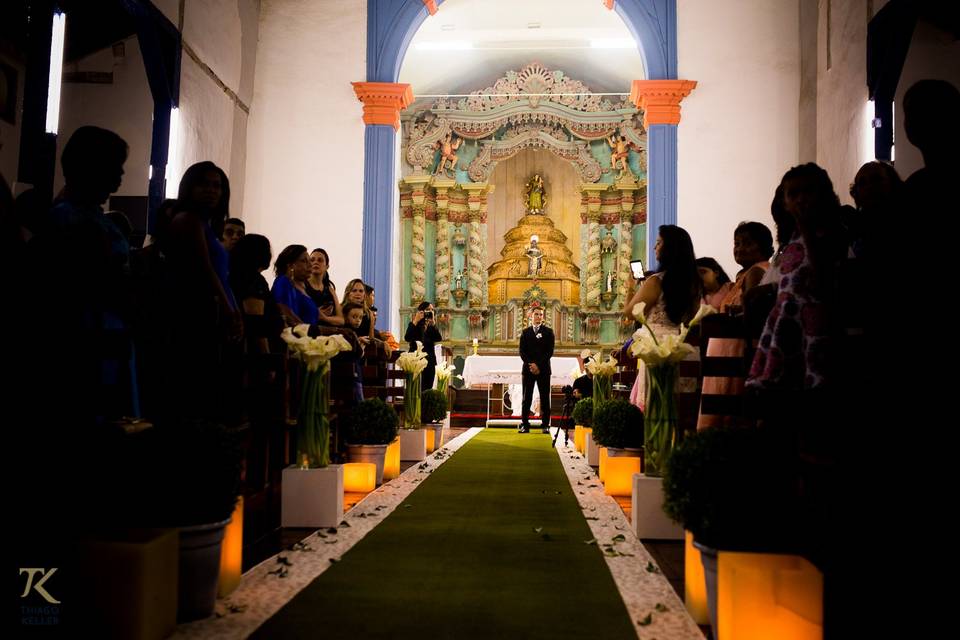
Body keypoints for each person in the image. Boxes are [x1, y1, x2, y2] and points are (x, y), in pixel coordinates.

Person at [519, 307, 555, 434]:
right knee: (526, 398)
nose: (538, 316)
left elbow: (549, 351)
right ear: (531, 316)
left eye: (540, 314)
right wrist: (531, 365)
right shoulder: (525, 332)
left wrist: (538, 365)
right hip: (528, 370)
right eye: (536, 314)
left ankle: (545, 424)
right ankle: (524, 424)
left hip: (543, 370)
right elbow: (522, 352)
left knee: (545, 397)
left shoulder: (549, 332)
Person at [404, 301, 443, 390]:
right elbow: (407, 337)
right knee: (415, 388)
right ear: (421, 311)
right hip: (416, 361)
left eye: (432, 310)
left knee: (427, 387)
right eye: (427, 310)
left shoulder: (431, 326)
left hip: (429, 361)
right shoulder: (415, 324)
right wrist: (415, 321)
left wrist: (433, 324)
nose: (430, 312)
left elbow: (438, 338)